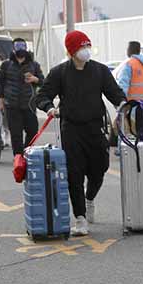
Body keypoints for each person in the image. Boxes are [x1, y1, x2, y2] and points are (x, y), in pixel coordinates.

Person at [35, 30, 127, 237]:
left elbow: (115, 92)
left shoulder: (100, 71)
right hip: (71, 129)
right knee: (74, 174)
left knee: (100, 168)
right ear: (71, 51)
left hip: (95, 128)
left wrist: (122, 104)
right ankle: (80, 218)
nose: (86, 51)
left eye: (88, 46)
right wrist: (49, 107)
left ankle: (90, 198)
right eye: (81, 47)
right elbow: (42, 95)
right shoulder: (59, 72)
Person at [0, 38, 44, 155]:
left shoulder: (34, 65)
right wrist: (1, 101)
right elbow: (0, 83)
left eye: (23, 46)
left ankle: (27, 153)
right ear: (13, 49)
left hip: (29, 104)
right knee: (16, 133)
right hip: (12, 105)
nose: (21, 50)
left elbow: (43, 81)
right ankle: (18, 157)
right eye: (18, 47)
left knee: (33, 131)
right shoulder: (6, 65)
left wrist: (35, 79)